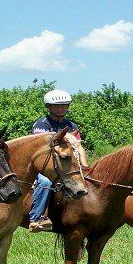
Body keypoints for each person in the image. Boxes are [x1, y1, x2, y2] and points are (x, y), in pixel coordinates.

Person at [28, 89, 82, 232]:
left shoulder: (72, 126)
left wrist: (84, 165)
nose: (61, 108)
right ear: (49, 107)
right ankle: (36, 218)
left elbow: (79, 147)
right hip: (45, 166)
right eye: (57, 106)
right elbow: (43, 151)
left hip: (66, 165)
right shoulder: (41, 125)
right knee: (45, 181)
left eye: (64, 105)